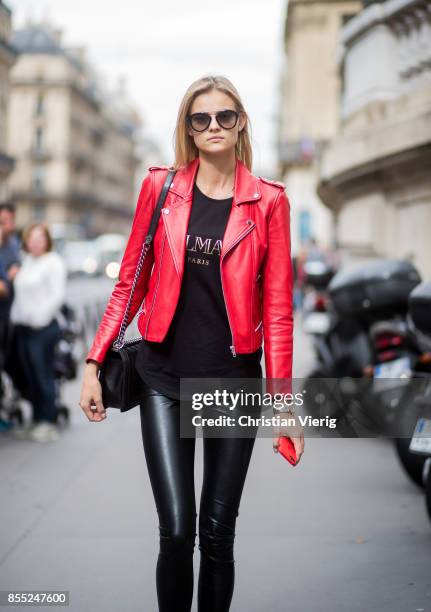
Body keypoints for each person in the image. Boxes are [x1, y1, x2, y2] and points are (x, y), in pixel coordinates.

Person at [79, 74, 304, 611]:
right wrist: (94, 361)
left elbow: (277, 309)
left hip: (233, 381)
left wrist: (283, 401)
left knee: (218, 536)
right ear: (188, 128)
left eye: (224, 116)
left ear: (241, 121)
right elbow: (130, 281)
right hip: (163, 376)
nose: (213, 127)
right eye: (200, 119)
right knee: (177, 531)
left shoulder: (268, 201)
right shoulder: (161, 189)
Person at [10, 222, 66, 443]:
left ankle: (49, 422)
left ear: (47, 241)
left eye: (40, 238)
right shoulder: (27, 262)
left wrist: (39, 319)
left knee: (43, 375)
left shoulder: (53, 262)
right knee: (29, 375)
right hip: (23, 328)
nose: (35, 242)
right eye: (31, 238)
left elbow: (57, 296)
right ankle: (36, 419)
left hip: (43, 329)